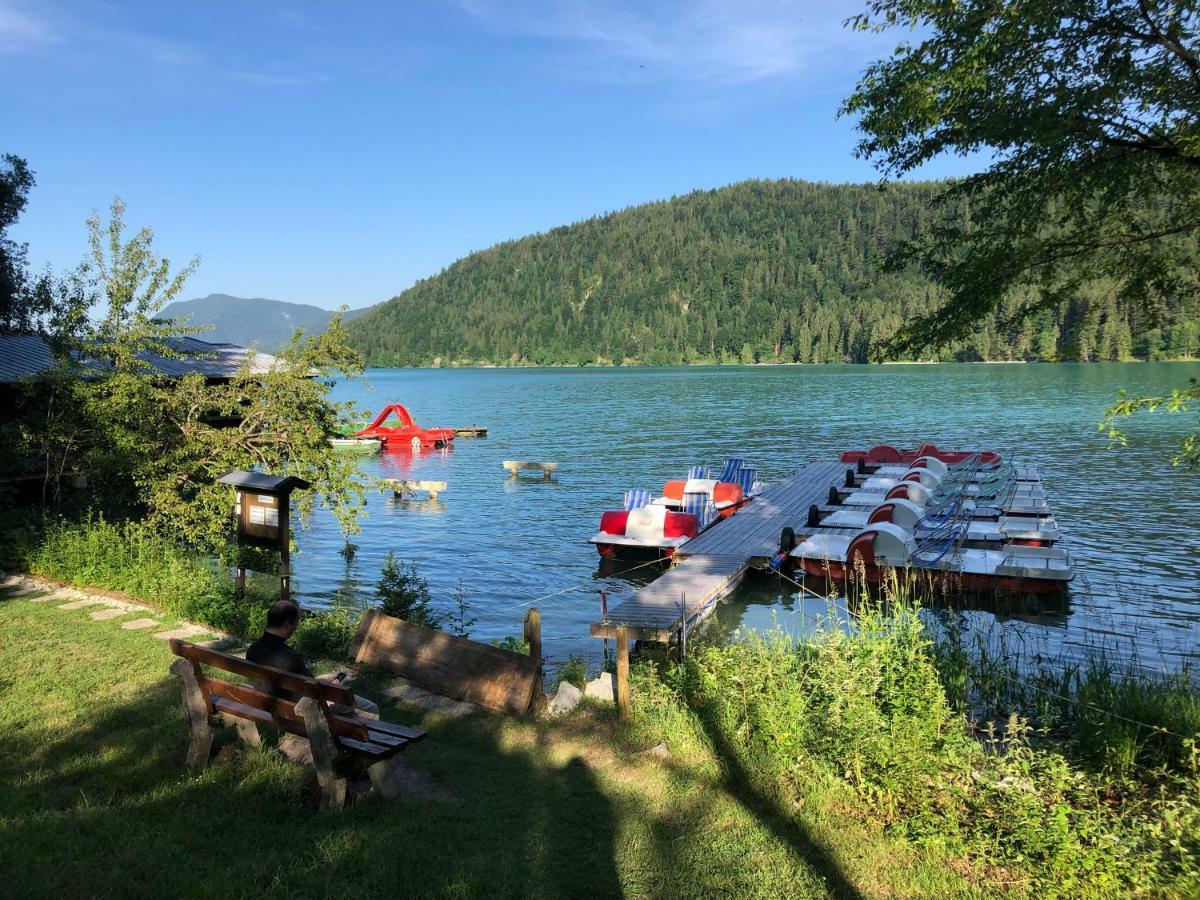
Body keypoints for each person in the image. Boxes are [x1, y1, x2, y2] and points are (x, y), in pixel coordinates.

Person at [246, 599, 378, 717]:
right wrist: (334, 684)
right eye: (296, 623)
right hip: (299, 709)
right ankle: (368, 743)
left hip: (272, 702)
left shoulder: (253, 649)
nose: (296, 627)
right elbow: (314, 691)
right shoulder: (290, 657)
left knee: (327, 679)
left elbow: (305, 682)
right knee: (370, 708)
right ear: (287, 625)